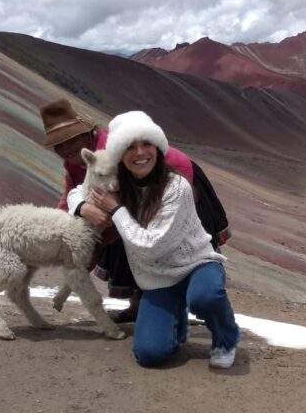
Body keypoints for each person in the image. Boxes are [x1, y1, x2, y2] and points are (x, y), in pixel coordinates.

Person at [39, 99, 230, 323]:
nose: (65, 148)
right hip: (128, 197)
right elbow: (73, 192)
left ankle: (204, 298)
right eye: (59, 145)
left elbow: (125, 197)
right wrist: (67, 218)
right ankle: (140, 306)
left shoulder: (113, 150)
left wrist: (107, 221)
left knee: (158, 239)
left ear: (88, 133)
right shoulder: (78, 160)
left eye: (71, 139)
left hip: (171, 180)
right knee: (126, 237)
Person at [84, 111, 240, 368]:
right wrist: (81, 206)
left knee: (206, 297)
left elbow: (151, 246)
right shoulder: (119, 186)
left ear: (158, 148)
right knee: (150, 354)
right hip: (157, 279)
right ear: (120, 156)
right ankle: (174, 320)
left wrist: (117, 211)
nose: (140, 152)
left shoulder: (176, 187)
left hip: (195, 266)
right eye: (130, 147)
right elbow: (79, 191)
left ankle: (226, 338)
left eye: (147, 144)